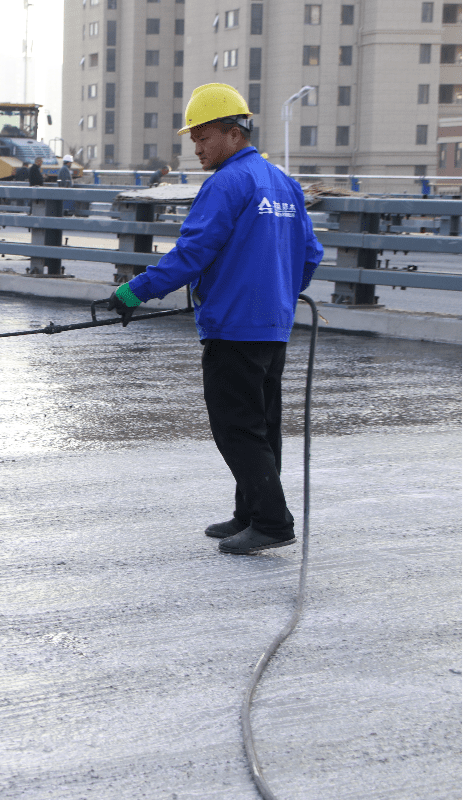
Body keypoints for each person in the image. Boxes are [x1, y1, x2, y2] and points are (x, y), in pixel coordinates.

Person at [104, 83, 324, 555]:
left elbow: (192, 253)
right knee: (260, 424)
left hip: (233, 326)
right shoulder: (282, 182)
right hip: (272, 326)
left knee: (236, 427)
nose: (197, 148)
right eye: (194, 140)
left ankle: (271, 521)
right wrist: (280, 291)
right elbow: (310, 253)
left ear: (232, 132)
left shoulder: (225, 184)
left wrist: (132, 291)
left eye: (203, 137)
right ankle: (249, 512)